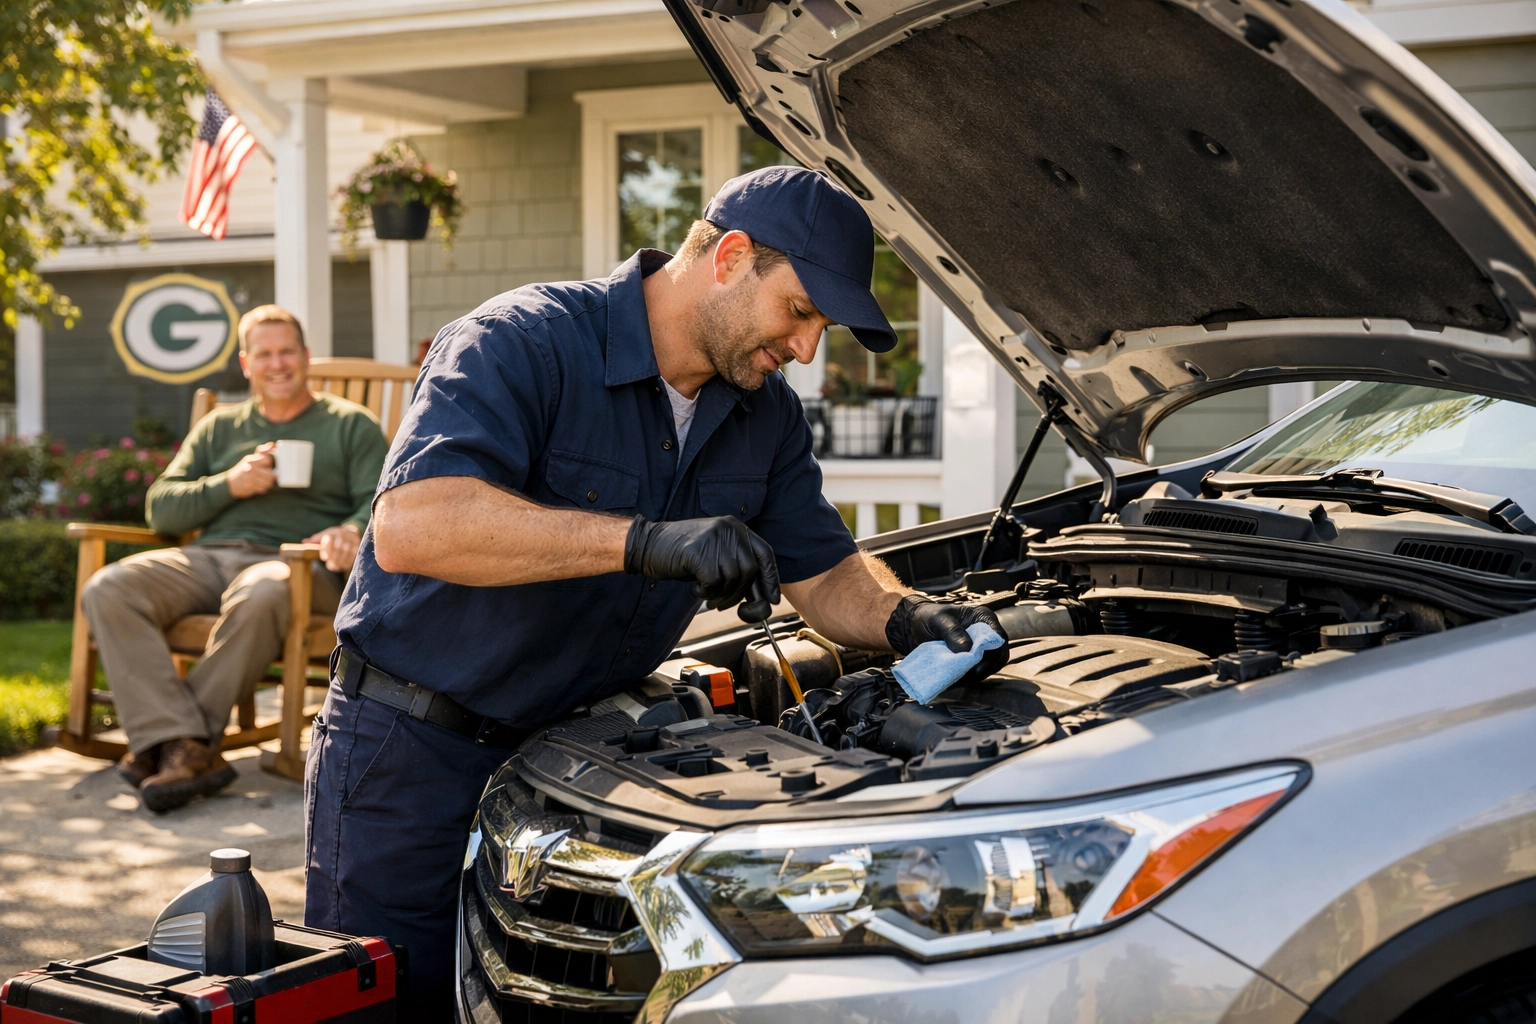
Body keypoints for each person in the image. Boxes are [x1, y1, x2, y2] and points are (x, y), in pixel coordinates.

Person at [305, 166, 1007, 1019]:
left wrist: (910, 619)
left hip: (580, 766)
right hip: (411, 754)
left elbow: (823, 574)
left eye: (820, 327)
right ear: (731, 256)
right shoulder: (521, 341)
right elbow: (418, 526)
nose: (807, 350)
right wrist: (642, 543)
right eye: (799, 313)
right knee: (391, 1006)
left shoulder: (766, 415)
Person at [81, 305, 389, 813]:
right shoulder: (219, 429)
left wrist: (349, 529)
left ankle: (168, 743)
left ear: (306, 356)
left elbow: (380, 500)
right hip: (209, 557)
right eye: (263, 354)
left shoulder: (350, 425)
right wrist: (230, 483)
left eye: (287, 351)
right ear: (246, 364)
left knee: (264, 589)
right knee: (109, 587)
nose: (277, 363)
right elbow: (162, 508)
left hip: (296, 565)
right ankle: (182, 745)